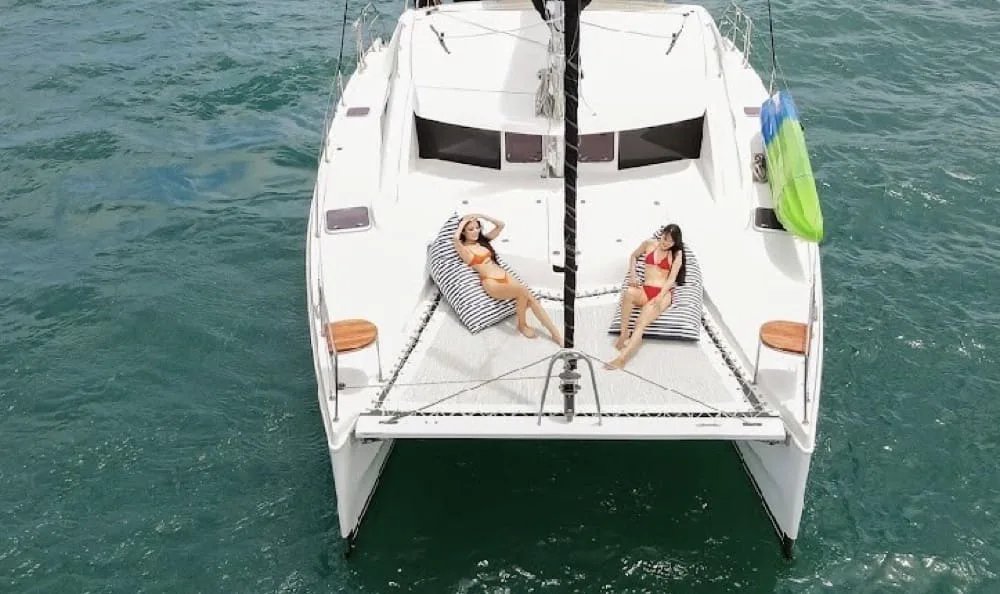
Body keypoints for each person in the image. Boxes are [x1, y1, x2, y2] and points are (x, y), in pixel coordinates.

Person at [453, 213, 563, 346]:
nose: (475, 231)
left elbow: (501, 225)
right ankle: (535, 329)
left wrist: (480, 215)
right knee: (523, 291)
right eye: (470, 229)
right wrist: (462, 223)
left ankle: (543, 330)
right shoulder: (464, 249)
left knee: (528, 297)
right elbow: (455, 239)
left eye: (477, 228)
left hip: (505, 276)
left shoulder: (482, 242)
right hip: (491, 282)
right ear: (463, 232)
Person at [605, 224, 685, 370]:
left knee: (640, 324)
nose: (666, 243)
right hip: (646, 288)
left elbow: (671, 279)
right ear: (661, 234)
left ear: (675, 242)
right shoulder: (649, 244)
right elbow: (633, 256)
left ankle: (622, 359)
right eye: (665, 238)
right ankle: (624, 333)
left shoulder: (676, 254)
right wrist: (633, 275)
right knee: (629, 293)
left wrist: (660, 296)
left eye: (670, 242)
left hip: (663, 293)